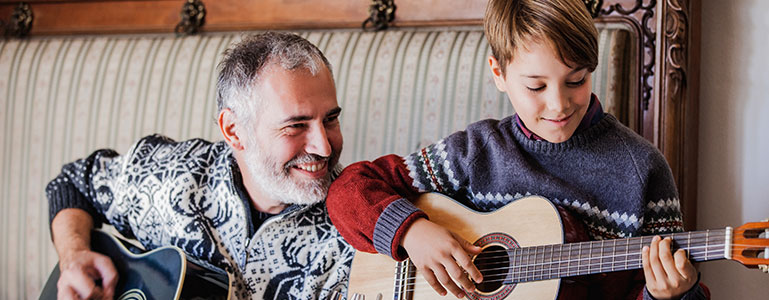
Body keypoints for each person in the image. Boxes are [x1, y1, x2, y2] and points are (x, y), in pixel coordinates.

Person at [326, 0, 709, 299]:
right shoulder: (477, 151)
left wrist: (670, 295)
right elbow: (348, 189)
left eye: (576, 80)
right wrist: (412, 232)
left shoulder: (641, 168)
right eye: (536, 87)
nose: (559, 105)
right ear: (499, 74)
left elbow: (676, 282)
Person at [46, 32, 354, 300]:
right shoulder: (172, 175)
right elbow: (74, 183)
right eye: (296, 125)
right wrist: (73, 257)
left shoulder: (357, 227)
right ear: (234, 130)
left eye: (330, 119)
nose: (324, 147)